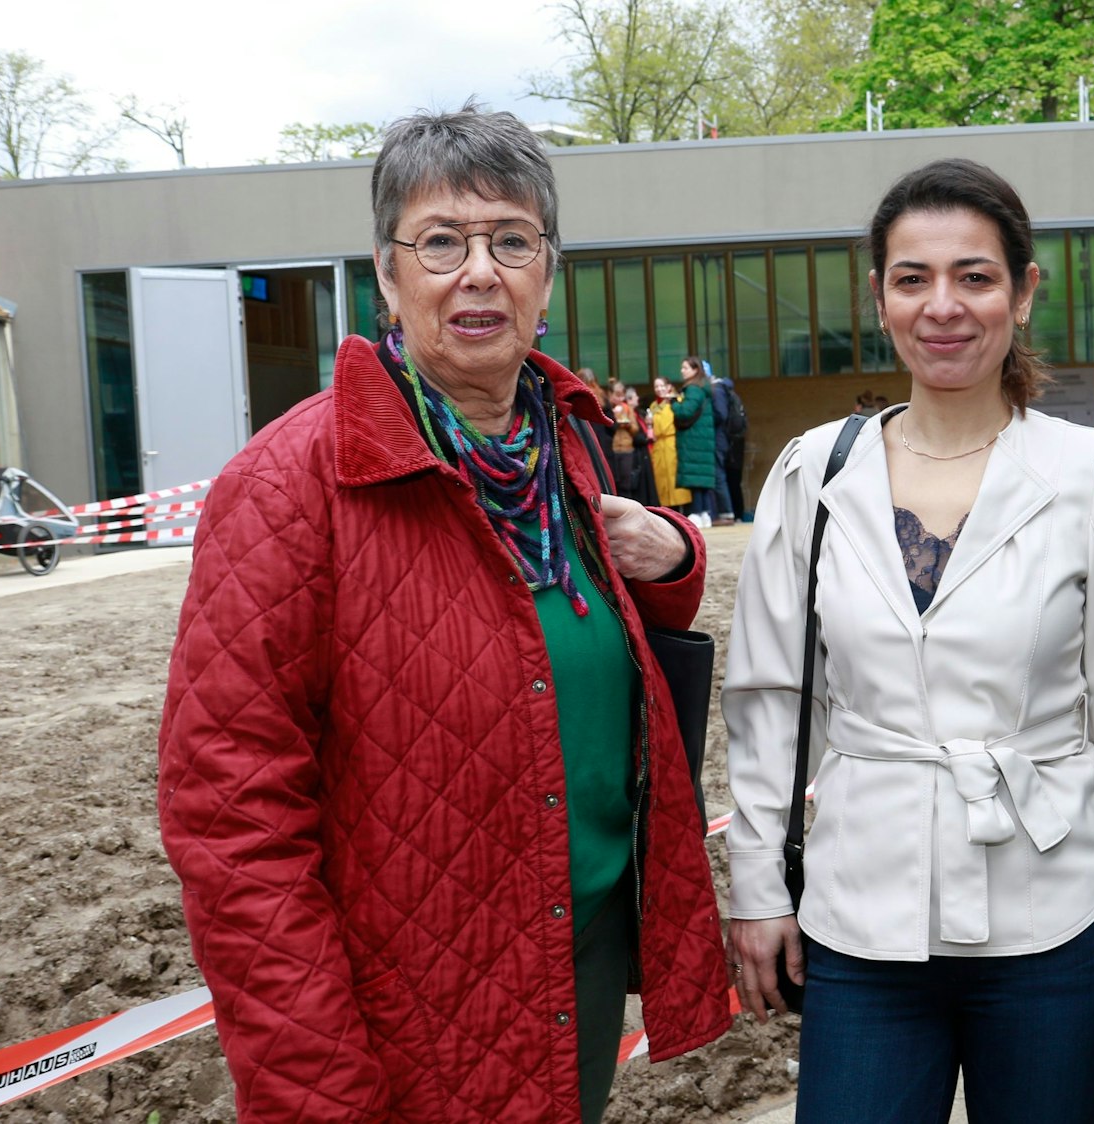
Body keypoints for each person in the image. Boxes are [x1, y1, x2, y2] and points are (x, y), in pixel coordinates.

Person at [155, 104, 729, 1124]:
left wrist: (673, 560)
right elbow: (232, 822)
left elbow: (575, 648)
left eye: (511, 240)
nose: (479, 272)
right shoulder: (291, 483)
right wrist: (314, 1083)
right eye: (441, 242)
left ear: (547, 272)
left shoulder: (567, 445)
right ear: (387, 273)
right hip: (406, 1001)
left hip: (580, 957)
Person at [724, 157, 1094, 1123]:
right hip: (861, 921)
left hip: (1057, 917)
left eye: (974, 276)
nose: (943, 306)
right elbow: (769, 699)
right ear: (879, 297)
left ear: (1023, 291)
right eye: (912, 278)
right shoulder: (814, 474)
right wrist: (758, 885)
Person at [671, 357, 719, 527]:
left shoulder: (693, 389)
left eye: (685, 368)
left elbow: (685, 412)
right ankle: (705, 513)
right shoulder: (704, 388)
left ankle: (697, 512)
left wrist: (674, 403)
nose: (682, 371)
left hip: (693, 440)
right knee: (702, 479)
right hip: (702, 439)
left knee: (695, 479)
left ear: (695, 370)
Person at [707, 365, 746, 524]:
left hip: (720, 438)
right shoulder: (723, 389)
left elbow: (720, 414)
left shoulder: (717, 390)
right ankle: (733, 512)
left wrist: (705, 418)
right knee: (728, 476)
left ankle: (727, 512)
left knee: (720, 475)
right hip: (728, 440)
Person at [610, 384, 660, 506]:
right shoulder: (609, 409)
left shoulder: (629, 410)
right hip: (613, 449)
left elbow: (635, 429)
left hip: (627, 449)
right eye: (617, 395)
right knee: (616, 483)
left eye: (621, 395)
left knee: (627, 483)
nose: (620, 399)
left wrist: (627, 424)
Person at [649, 376, 692, 513]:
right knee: (662, 479)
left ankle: (685, 511)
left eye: (662, 386)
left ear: (668, 386)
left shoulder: (676, 401)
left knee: (676, 478)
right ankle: (669, 511)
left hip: (672, 442)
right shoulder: (653, 406)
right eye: (656, 386)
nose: (659, 389)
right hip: (659, 445)